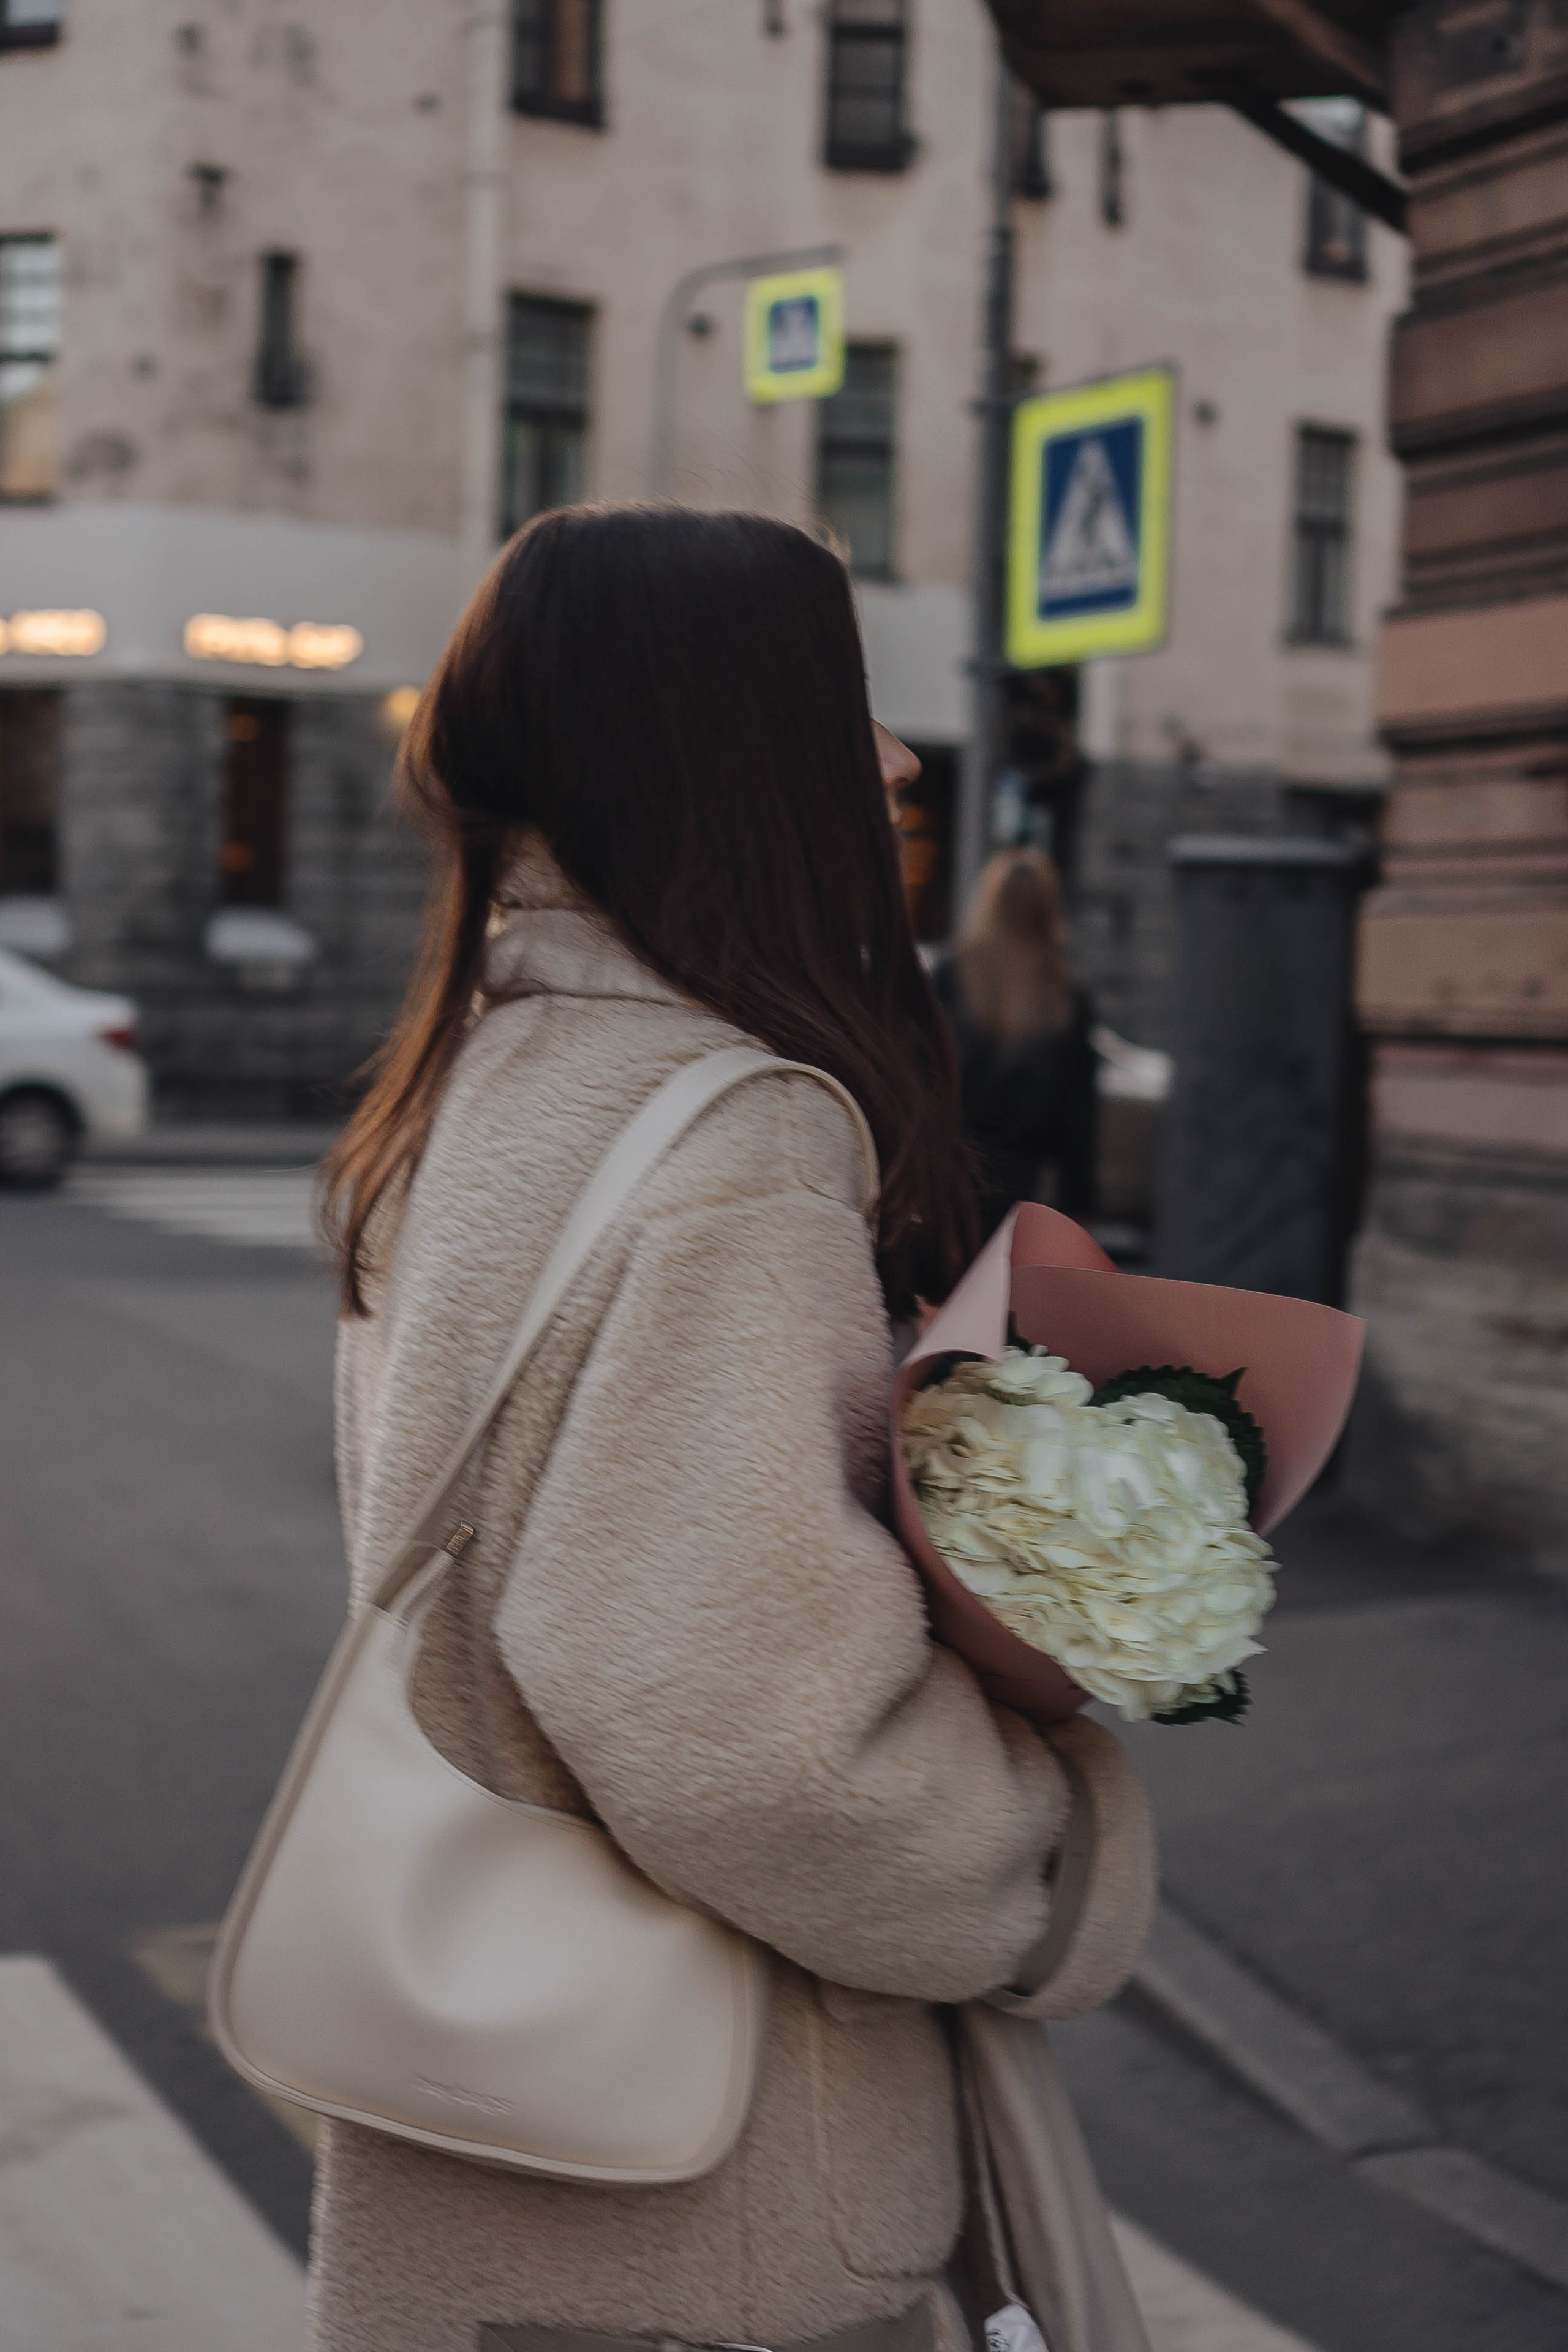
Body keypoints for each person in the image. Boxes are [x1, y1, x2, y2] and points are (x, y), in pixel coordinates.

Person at [317, 506, 1154, 2352]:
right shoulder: (729, 1138)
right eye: (843, 699)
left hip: (499, 2143)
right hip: (702, 2216)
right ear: (720, 742)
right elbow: (755, 1743)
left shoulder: (481, 1074)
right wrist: (1046, 1859)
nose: (896, 759)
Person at [933, 850, 1099, 1238]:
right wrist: (1079, 1205)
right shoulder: (1065, 997)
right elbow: (1078, 1118)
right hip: (1019, 1187)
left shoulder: (950, 979)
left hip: (945, 1178)